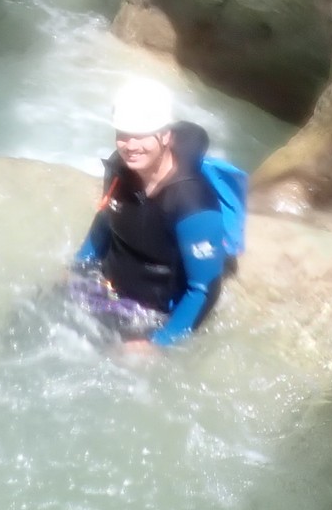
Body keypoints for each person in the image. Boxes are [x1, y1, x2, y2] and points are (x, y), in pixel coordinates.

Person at [69, 79, 243, 349]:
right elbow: (105, 221)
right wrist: (78, 267)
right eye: (123, 134)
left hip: (150, 315)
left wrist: (157, 344)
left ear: (165, 136)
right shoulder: (120, 168)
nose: (130, 145)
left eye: (141, 135)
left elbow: (205, 289)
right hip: (105, 289)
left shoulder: (192, 201)